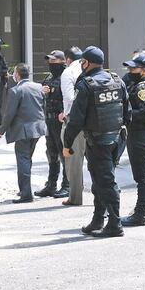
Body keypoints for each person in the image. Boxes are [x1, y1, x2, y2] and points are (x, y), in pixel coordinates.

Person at [63, 46, 130, 237]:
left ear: (88, 63)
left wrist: (67, 145)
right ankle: (98, 219)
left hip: (98, 142)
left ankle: (114, 224)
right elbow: (128, 113)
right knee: (100, 181)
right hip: (116, 140)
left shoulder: (85, 85)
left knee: (106, 182)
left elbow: (75, 120)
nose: (81, 65)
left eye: (82, 61)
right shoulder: (117, 81)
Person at [120, 53, 145, 226]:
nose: (130, 71)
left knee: (142, 178)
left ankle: (140, 214)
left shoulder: (142, 88)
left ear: (144, 71)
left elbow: (144, 113)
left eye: (134, 68)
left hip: (140, 135)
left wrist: (125, 114)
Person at [0, 63, 46, 204]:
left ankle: (25, 193)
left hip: (23, 130)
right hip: (38, 128)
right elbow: (43, 106)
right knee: (27, 158)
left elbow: (9, 114)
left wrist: (1, 131)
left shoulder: (15, 90)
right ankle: (24, 189)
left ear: (17, 75)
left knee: (23, 160)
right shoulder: (38, 87)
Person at [36, 50, 68, 199]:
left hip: (60, 121)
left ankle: (67, 185)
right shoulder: (49, 78)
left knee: (64, 153)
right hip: (49, 120)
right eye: (49, 61)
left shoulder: (66, 78)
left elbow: (70, 99)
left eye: (54, 62)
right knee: (51, 153)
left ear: (62, 63)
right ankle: (51, 185)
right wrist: (43, 92)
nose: (50, 64)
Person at [60, 46, 85, 206]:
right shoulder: (86, 69)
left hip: (74, 121)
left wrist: (65, 113)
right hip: (93, 121)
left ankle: (75, 197)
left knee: (73, 160)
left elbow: (70, 98)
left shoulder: (68, 72)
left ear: (68, 59)